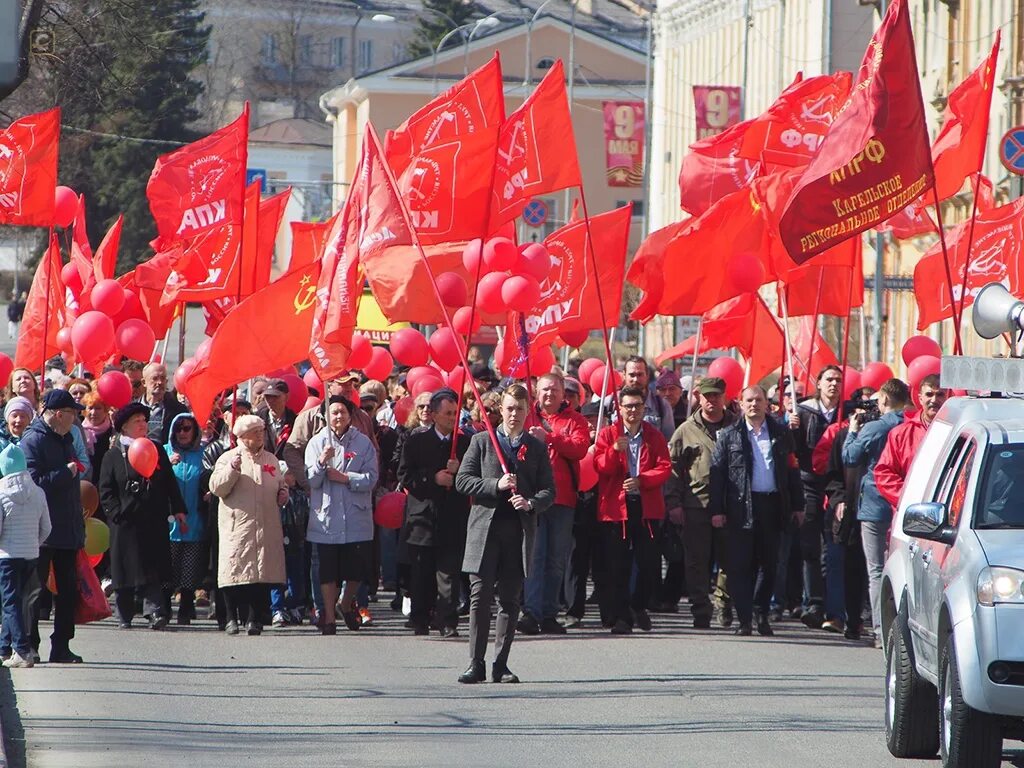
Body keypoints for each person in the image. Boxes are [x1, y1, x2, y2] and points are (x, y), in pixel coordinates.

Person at [455, 383, 553, 684]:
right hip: (485, 530)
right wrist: (493, 486)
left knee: (510, 600)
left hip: (517, 530)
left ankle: (501, 663)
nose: (514, 414)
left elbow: (550, 490)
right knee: (479, 595)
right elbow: (463, 481)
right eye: (510, 408)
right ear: (500, 409)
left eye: (520, 410)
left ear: (528, 411)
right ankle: (476, 662)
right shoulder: (482, 442)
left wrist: (532, 502)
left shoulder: (536, 447)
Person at [710, 386, 803, 637]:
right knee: (740, 566)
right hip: (740, 507)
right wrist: (717, 510)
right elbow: (717, 475)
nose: (754, 404)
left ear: (767, 404)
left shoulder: (781, 433)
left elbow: (793, 471)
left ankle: (761, 613)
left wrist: (798, 505)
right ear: (740, 404)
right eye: (749, 400)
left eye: (758, 400)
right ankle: (744, 619)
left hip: (773, 506)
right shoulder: (729, 435)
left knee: (769, 564)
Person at [99, 403, 188, 630]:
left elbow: (170, 483)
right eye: (137, 421)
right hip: (124, 522)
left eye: (144, 421)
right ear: (125, 427)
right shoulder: (113, 455)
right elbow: (106, 489)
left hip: (152, 518)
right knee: (124, 568)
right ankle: (125, 614)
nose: (143, 425)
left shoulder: (156, 450)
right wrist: (115, 513)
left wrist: (178, 509)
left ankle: (155, 612)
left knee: (152, 567)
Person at [593, 385, 672, 634]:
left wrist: (642, 480)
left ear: (643, 408)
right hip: (617, 509)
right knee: (617, 565)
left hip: (646, 507)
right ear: (620, 409)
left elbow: (664, 467)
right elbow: (599, 466)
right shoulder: (609, 434)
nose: (632, 410)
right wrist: (613, 451)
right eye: (628, 406)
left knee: (649, 563)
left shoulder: (654, 436)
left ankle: (639, 605)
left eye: (637, 405)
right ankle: (622, 616)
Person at [518, 373, 589, 635]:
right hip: (533, 498)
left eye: (555, 390)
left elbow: (579, 449)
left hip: (563, 498)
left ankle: (549, 613)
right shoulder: (526, 417)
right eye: (545, 390)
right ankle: (531, 612)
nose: (550, 394)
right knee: (534, 557)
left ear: (563, 394)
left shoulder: (576, 420)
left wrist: (549, 438)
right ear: (537, 392)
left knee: (556, 558)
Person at [842, 378, 910, 648]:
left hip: (874, 502)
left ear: (882, 399)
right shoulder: (912, 425)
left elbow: (849, 457)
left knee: (876, 569)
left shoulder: (874, 427)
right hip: (905, 501)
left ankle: (881, 631)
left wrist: (852, 430)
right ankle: (902, 627)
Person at [665, 376, 737, 629]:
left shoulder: (737, 427)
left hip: (730, 505)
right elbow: (672, 468)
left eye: (717, 395)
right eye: (707, 396)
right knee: (696, 561)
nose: (712, 400)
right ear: (698, 397)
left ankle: (723, 603)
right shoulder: (686, 430)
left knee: (729, 560)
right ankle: (700, 608)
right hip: (696, 505)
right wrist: (673, 503)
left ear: (724, 397)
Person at [397, 388, 470, 637]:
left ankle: (447, 620)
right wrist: (433, 478)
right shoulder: (416, 440)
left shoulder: (465, 443)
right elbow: (405, 475)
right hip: (423, 517)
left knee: (449, 573)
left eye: (455, 413)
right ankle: (419, 618)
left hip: (452, 517)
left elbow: (475, 478)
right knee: (421, 572)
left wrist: (459, 472)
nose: (452, 417)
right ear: (435, 415)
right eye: (447, 413)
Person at [21, 389, 86, 663]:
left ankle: (61, 646)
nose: (76, 419)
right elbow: (32, 482)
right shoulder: (32, 441)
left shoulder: (66, 438)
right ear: (59, 415)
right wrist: (65, 473)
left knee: (68, 592)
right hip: (41, 531)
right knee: (34, 592)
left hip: (67, 528)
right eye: (72, 413)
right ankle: (29, 644)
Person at [304, 396, 378, 634]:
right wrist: (321, 462)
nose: (338, 417)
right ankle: (328, 616)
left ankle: (345, 603)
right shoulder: (316, 443)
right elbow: (312, 481)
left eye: (342, 412)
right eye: (333, 412)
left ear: (350, 415)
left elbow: (371, 478)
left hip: (356, 515)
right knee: (327, 570)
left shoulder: (363, 443)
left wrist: (347, 479)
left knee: (357, 569)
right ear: (326, 416)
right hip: (326, 516)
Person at [209, 415, 288, 636]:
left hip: (265, 524)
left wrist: (283, 493)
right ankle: (231, 618)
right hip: (238, 525)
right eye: (255, 431)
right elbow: (216, 487)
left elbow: (279, 483)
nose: (260, 434)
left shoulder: (271, 459)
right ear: (242, 436)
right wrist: (231, 470)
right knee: (233, 572)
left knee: (260, 574)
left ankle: (254, 618)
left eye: (261, 430)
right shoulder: (228, 458)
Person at [789, 365, 842, 629]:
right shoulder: (804, 411)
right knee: (809, 546)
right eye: (829, 379)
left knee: (832, 547)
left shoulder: (847, 413)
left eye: (838, 380)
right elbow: (792, 450)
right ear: (818, 383)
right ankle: (813, 601)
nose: (834, 384)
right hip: (808, 484)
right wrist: (792, 427)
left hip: (836, 487)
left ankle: (833, 606)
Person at [201, 398, 252, 631]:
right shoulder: (215, 447)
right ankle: (221, 608)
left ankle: (247, 610)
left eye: (244, 412)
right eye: (235, 413)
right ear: (226, 417)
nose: (239, 417)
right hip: (222, 513)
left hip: (249, 513)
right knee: (223, 560)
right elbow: (207, 479)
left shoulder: (257, 447)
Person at [0, 445, 51, 668]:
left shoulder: (1, 492)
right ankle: (3, 647)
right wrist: (34, 543)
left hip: (7, 556)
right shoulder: (38, 492)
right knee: (20, 602)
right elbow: (47, 527)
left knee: (9, 603)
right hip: (31, 555)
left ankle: (21, 649)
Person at [285, 372, 377, 493]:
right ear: (328, 387)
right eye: (343, 384)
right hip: (323, 495)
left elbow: (375, 451)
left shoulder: (362, 417)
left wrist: (369, 483)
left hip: (356, 497)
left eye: (351, 384)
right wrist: (307, 483)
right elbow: (291, 451)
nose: (349, 388)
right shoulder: (309, 418)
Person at [874, 374, 948, 509]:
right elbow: (884, 473)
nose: (934, 399)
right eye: (929, 394)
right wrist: (908, 498)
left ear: (948, 397)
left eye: (940, 395)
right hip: (910, 513)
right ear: (920, 398)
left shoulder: (961, 432)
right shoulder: (900, 434)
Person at [164, 413, 206, 625]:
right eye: (178, 428)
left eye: (187, 428)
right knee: (167, 567)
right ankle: (163, 608)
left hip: (194, 520)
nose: (182, 432)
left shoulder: (203, 454)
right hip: (168, 523)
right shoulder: (164, 452)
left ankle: (186, 608)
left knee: (190, 568)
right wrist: (166, 465)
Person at [271, 461, 309, 627]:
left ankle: (294, 606)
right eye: (290, 473)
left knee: (296, 576)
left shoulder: (300, 496)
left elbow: (306, 515)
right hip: (278, 540)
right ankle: (277, 609)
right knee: (277, 576)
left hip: (296, 540)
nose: (294, 477)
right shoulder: (274, 495)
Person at [617, 356, 675, 441]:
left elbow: (669, 441)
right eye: (632, 375)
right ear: (624, 375)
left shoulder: (662, 405)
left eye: (640, 374)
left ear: (647, 375)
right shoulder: (611, 402)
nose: (636, 379)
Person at [136, 362, 187, 444]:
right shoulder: (132, 410)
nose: (159, 382)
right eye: (155, 378)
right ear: (144, 382)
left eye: (163, 378)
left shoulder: (178, 410)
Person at [256, 378, 296, 459]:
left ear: (286, 396)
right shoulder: (257, 420)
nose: (270, 401)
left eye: (275, 396)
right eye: (267, 396)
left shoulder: (295, 421)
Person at [80, 392, 113, 485]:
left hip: (106, 481)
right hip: (86, 482)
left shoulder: (112, 432)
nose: (93, 413)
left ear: (106, 410)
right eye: (90, 408)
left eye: (98, 408)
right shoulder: (80, 431)